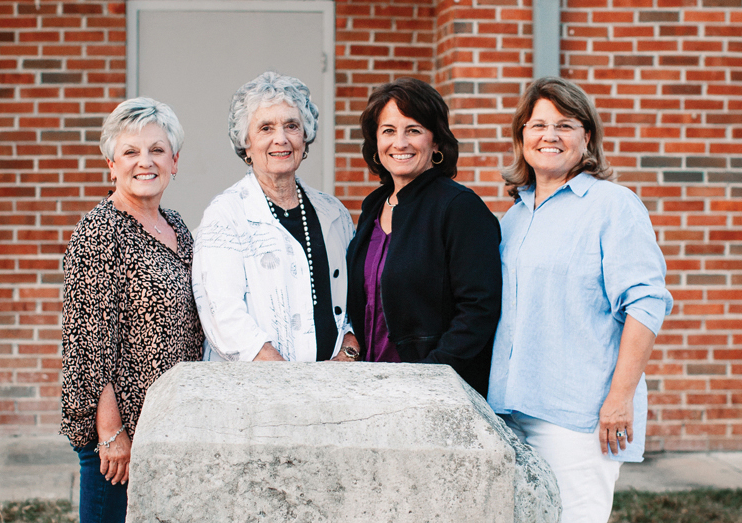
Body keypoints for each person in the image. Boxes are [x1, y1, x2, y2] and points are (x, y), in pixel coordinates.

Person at [487, 77, 673, 522]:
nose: (549, 136)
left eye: (565, 125)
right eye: (538, 125)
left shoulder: (613, 206)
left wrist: (619, 398)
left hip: (577, 416)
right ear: (522, 136)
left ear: (586, 136)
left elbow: (646, 303)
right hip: (510, 410)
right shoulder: (513, 216)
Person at [60, 97, 204, 523]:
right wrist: (111, 433)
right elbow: (87, 343)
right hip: (121, 438)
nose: (146, 162)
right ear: (111, 164)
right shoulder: (100, 231)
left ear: (174, 161)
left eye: (157, 150)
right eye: (131, 151)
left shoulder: (177, 226)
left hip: (167, 429)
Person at [345, 77, 502, 396]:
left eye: (413, 130)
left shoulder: (459, 207)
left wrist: (428, 378)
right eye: (388, 130)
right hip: (370, 388)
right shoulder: (374, 205)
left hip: (434, 392)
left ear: (436, 141)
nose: (399, 143)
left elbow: (478, 310)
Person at [193, 71, 359, 363]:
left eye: (291, 126)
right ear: (246, 143)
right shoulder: (226, 215)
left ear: (305, 137)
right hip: (256, 394)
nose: (280, 139)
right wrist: (289, 384)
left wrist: (347, 355)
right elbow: (224, 317)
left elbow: (356, 304)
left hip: (335, 390)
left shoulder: (334, 213)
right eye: (266, 128)